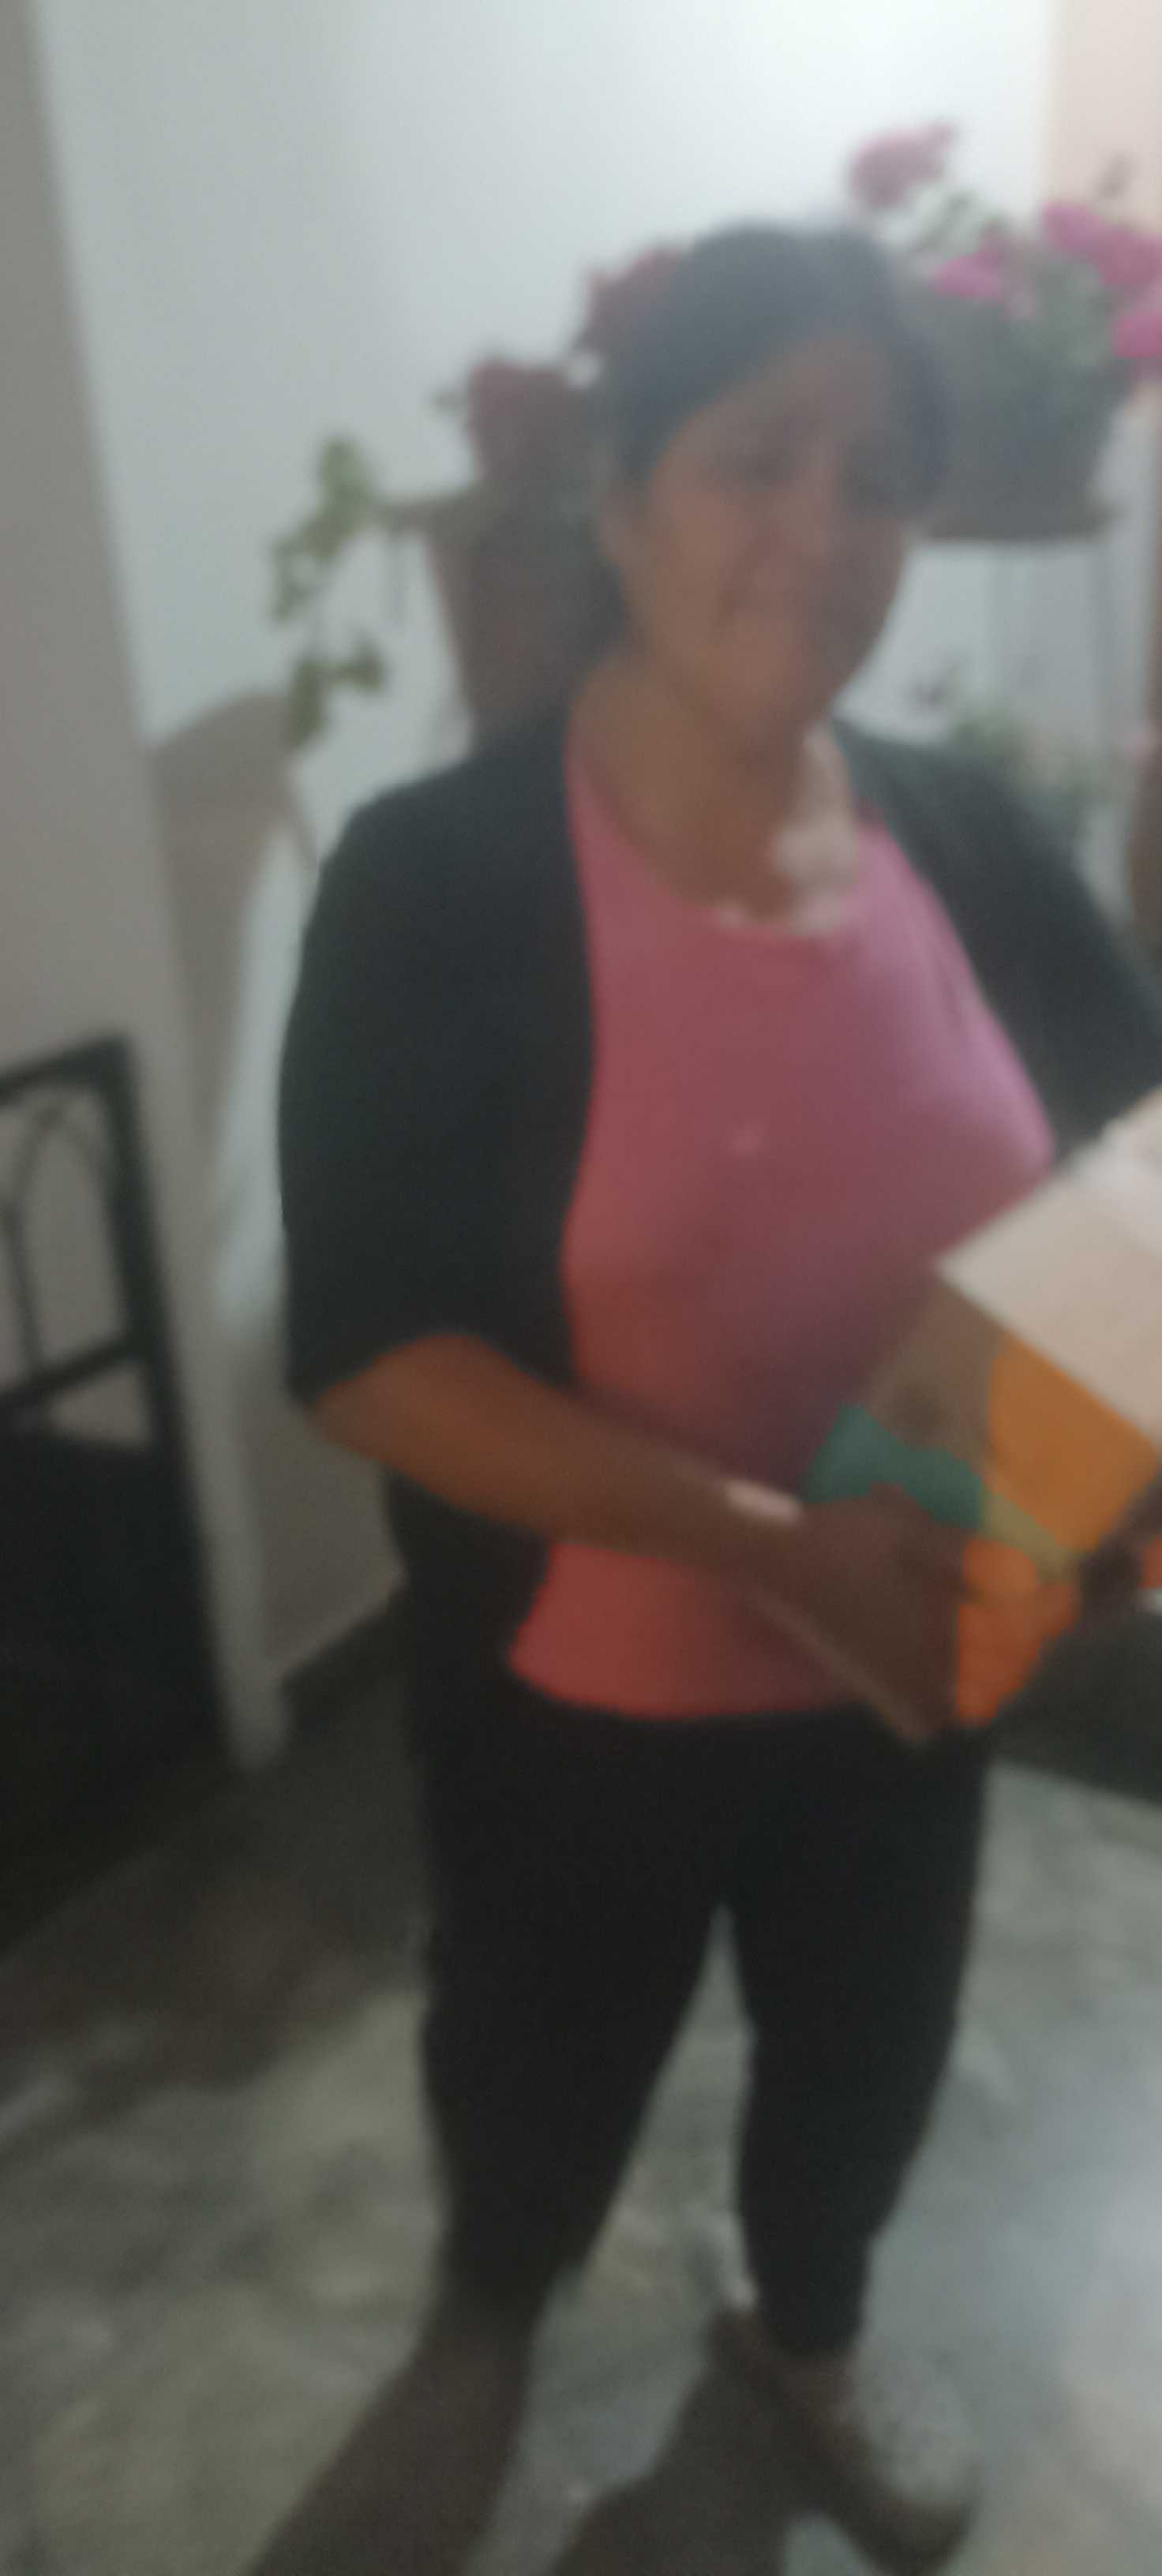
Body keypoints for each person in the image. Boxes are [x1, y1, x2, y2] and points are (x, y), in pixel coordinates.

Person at [279, 227, 1162, 2565]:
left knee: (866, 2054)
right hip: (583, 1694)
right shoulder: (441, 882)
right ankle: (485, 2327)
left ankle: (809, 2336)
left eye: (875, 480)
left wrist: (1109, 1519)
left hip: (914, 1659)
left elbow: (1145, 1181)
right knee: (536, 2056)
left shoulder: (963, 835)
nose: (817, 528)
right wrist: (777, 1549)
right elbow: (371, 1351)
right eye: (754, 456)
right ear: (620, 494)